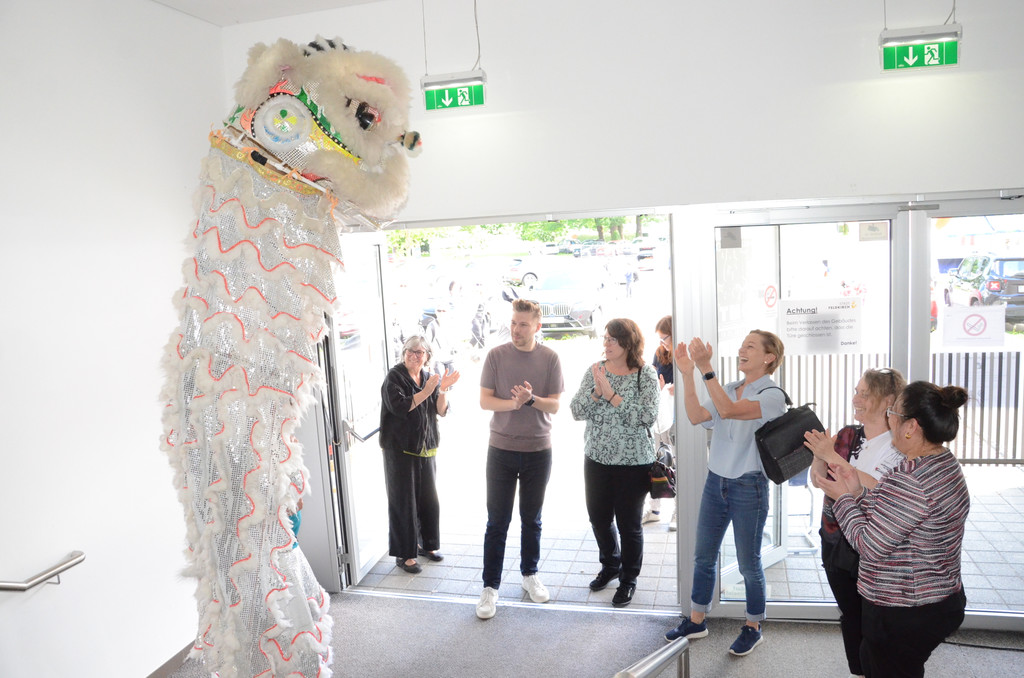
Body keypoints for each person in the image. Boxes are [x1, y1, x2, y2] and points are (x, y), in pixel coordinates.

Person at [812, 382, 970, 678]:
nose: (889, 420)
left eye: (893, 413)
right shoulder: (942, 463)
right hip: (938, 599)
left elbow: (869, 545)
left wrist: (842, 498)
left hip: (905, 608)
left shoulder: (911, 479)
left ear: (910, 427)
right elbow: (897, 514)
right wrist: (857, 490)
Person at [665, 330, 788, 657]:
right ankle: (696, 621)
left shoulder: (773, 395)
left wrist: (706, 368)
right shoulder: (729, 388)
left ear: (769, 357)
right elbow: (697, 417)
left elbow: (730, 410)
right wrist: (687, 374)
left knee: (749, 563)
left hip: (749, 485)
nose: (742, 350)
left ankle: (753, 627)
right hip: (716, 481)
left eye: (751, 346)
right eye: (742, 345)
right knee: (703, 556)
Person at [802, 367, 907, 678]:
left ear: (888, 400)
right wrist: (819, 454)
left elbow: (879, 487)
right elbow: (818, 480)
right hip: (835, 538)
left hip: (874, 544)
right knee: (850, 615)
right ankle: (859, 671)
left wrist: (832, 456)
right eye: (856, 392)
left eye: (865, 394)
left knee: (875, 621)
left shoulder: (901, 443)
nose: (856, 399)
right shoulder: (848, 434)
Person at [476, 298, 564, 619]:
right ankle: (490, 588)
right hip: (500, 450)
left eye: (523, 324)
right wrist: (513, 404)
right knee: (497, 522)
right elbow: (485, 401)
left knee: (532, 519)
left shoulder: (550, 358)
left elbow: (554, 405)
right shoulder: (496, 356)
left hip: (539, 451)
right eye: (513, 323)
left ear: (537, 327)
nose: (516, 329)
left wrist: (530, 400)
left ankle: (530, 575)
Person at [570, 318, 659, 607]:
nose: (606, 344)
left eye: (613, 339)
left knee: (629, 525)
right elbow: (576, 410)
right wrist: (597, 393)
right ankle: (610, 564)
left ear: (628, 343)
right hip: (596, 458)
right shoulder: (595, 370)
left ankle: (628, 579)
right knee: (598, 518)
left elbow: (647, 416)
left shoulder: (645, 374)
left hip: (634, 463)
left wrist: (612, 395)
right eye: (605, 338)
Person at [379, 335, 460, 574]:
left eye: (420, 352)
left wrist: (442, 390)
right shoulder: (394, 377)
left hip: (426, 446)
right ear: (404, 353)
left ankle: (428, 545)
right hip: (400, 449)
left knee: (429, 500)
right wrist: (426, 391)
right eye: (411, 351)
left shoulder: (427, 377)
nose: (415, 356)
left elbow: (440, 410)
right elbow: (400, 407)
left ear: (427, 356)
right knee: (404, 502)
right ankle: (405, 554)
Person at [643, 315, 675, 528]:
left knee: (677, 464)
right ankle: (654, 509)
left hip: (677, 418)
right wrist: (659, 386)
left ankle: (678, 512)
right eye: (660, 339)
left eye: (665, 338)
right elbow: (654, 379)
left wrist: (677, 388)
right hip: (660, 416)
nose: (662, 343)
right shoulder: (659, 353)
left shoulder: (683, 354)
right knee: (657, 463)